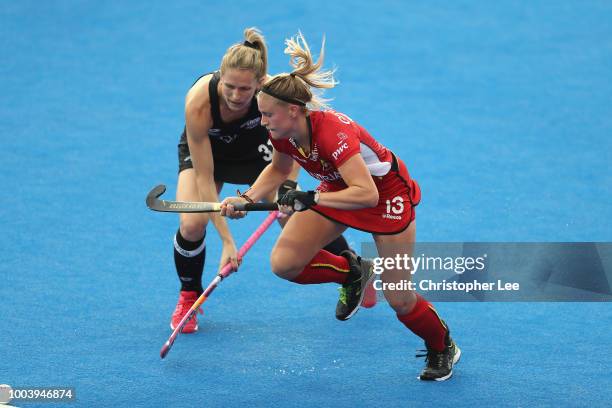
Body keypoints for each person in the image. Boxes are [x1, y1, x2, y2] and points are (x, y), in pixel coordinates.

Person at [221, 32, 461, 381]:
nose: (262, 122)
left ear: (293, 110)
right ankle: (354, 271)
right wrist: (245, 199)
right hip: (339, 186)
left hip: (386, 197)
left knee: (400, 300)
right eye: (261, 115)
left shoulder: (332, 134)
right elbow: (279, 168)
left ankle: (443, 346)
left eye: (268, 114)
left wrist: (313, 198)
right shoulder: (281, 130)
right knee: (285, 264)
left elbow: (367, 195)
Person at [171, 28, 352, 334]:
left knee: (294, 217)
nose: (235, 96)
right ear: (220, 77)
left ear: (259, 83)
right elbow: (204, 176)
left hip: (262, 155)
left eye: (245, 90)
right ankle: (189, 297)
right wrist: (228, 242)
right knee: (191, 223)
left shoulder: (275, 93)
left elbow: (294, 141)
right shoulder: (198, 103)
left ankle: (352, 271)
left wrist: (288, 188)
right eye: (229, 86)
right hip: (212, 157)